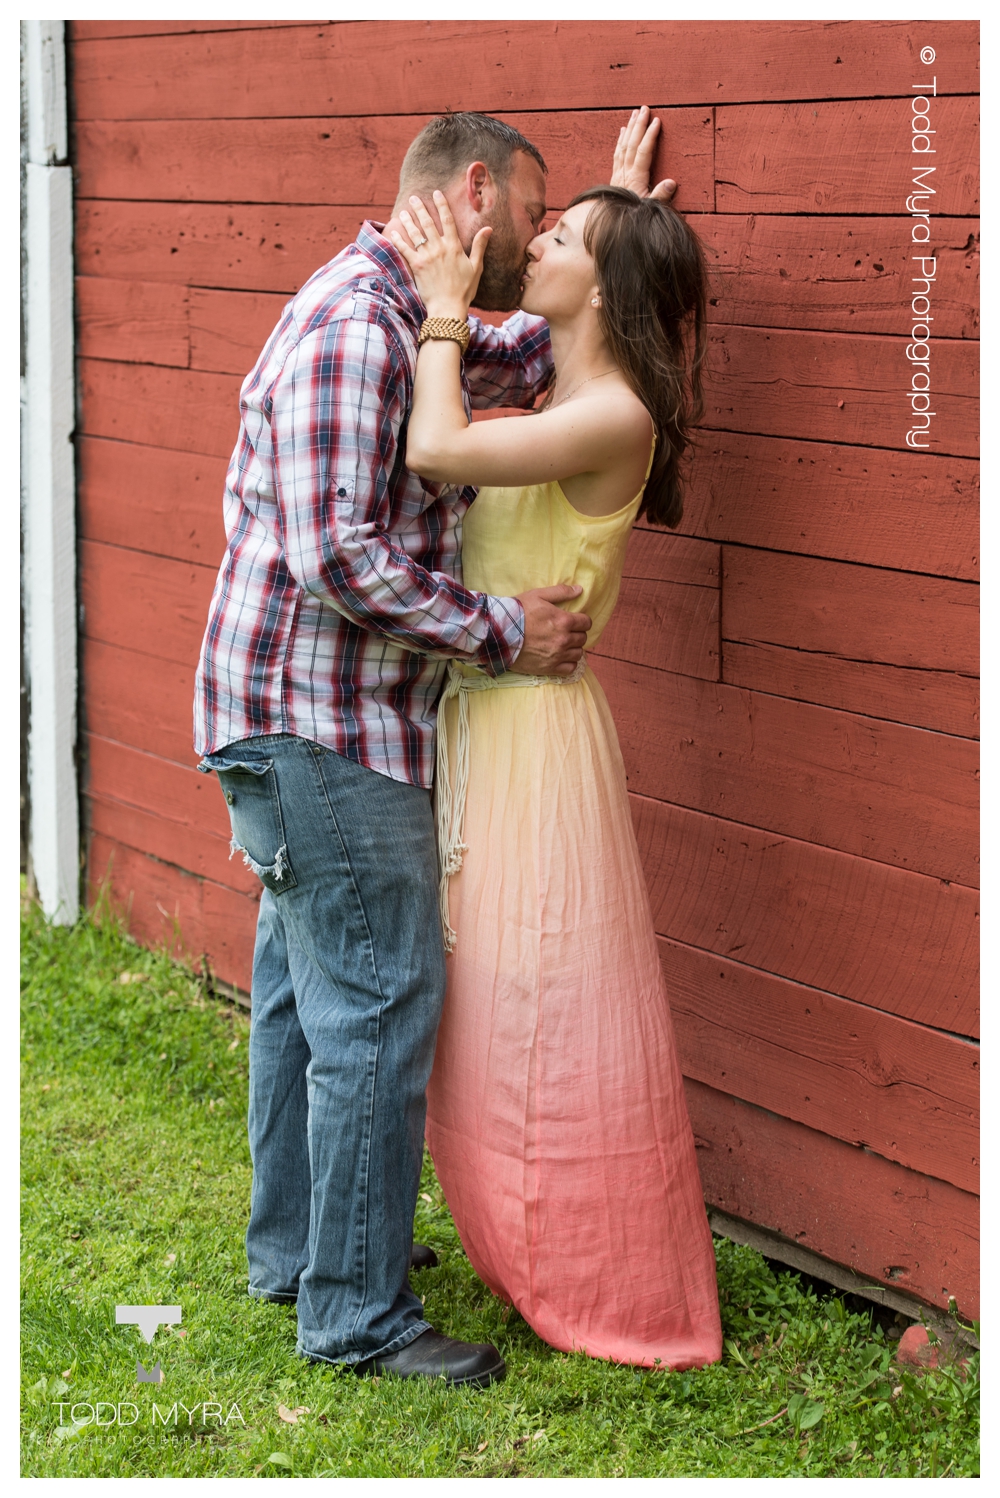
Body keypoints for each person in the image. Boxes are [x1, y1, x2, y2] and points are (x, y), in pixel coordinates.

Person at [194, 109, 673, 1387]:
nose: (533, 238)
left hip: (309, 716)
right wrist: (503, 629)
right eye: (534, 211)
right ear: (474, 194)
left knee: (304, 1002)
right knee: (376, 1005)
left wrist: (621, 225)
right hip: (319, 720)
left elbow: (545, 340)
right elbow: (338, 555)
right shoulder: (361, 330)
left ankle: (297, 1257)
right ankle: (355, 1313)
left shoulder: (416, 318)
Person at [389, 171, 723, 1368]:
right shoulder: (564, 366)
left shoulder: (615, 411)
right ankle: (512, 1229)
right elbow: (556, 299)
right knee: (486, 1007)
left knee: (540, 1009)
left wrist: (435, 307)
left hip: (535, 729)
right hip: (490, 710)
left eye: (564, 237)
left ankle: (589, 1263)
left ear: (605, 284)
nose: (537, 247)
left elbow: (436, 447)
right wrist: (621, 193)